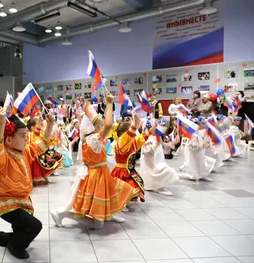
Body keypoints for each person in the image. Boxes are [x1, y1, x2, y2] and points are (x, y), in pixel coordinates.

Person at [0, 108, 54, 259]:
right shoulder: (2, 157)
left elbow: (42, 144)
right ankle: (14, 246)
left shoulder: (25, 151)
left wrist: (50, 125)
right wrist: (1, 123)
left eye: (26, 136)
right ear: (9, 139)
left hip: (24, 202)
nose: (26, 140)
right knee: (35, 226)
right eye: (22, 136)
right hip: (8, 203)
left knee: (21, 234)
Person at [50, 93, 137, 229]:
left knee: (111, 193)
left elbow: (109, 126)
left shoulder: (90, 138)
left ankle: (109, 214)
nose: (102, 125)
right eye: (99, 123)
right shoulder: (93, 139)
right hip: (97, 176)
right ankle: (63, 214)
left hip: (101, 173)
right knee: (98, 226)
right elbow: (109, 125)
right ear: (93, 127)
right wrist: (109, 103)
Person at [111, 115, 154, 203]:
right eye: (131, 131)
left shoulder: (131, 143)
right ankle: (121, 202)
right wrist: (134, 125)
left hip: (129, 170)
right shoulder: (120, 143)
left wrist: (151, 130)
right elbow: (126, 137)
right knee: (124, 188)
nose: (133, 134)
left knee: (134, 186)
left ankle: (125, 200)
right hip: (121, 171)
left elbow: (141, 139)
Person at [140, 124, 179, 196]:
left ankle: (158, 186)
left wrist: (170, 144)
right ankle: (160, 187)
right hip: (151, 164)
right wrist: (155, 146)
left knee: (167, 170)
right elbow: (146, 152)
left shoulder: (157, 137)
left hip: (157, 161)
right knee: (168, 171)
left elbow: (164, 145)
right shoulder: (148, 138)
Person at [180, 117, 216, 181]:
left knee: (201, 163)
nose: (203, 125)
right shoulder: (192, 134)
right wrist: (201, 145)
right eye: (202, 123)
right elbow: (193, 146)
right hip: (194, 152)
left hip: (199, 152)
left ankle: (201, 175)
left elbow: (203, 137)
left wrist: (205, 140)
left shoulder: (197, 132)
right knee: (194, 166)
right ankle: (180, 175)